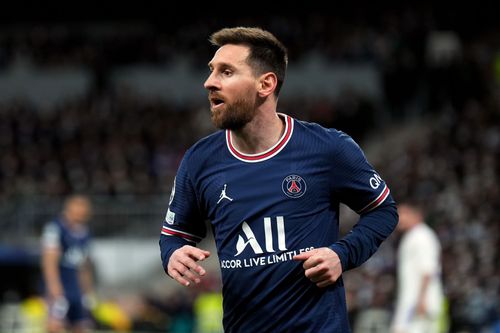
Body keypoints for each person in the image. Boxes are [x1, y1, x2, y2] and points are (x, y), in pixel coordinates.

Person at [159, 26, 398, 332]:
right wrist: (173, 254)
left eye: (226, 72)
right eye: (211, 71)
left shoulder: (326, 148)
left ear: (265, 84)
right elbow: (174, 235)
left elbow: (383, 210)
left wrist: (342, 253)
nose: (209, 82)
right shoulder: (199, 160)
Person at [41, 195, 95, 333]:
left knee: (81, 325)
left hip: (76, 288)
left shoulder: (84, 232)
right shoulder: (55, 229)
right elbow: (49, 261)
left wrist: (87, 290)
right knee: (55, 325)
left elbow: (84, 265)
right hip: (61, 285)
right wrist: (55, 288)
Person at [391, 203, 445, 333]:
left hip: (418, 302)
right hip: (411, 300)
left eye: (403, 214)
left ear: (416, 215)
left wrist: (422, 299)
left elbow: (428, 269)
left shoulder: (422, 236)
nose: (399, 218)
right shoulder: (412, 236)